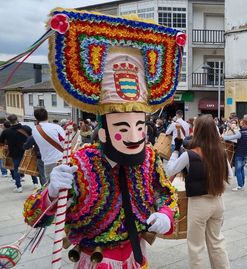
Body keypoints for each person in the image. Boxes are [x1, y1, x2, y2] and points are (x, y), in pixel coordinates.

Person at [21, 9, 183, 268]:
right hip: (96, 260)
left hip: (136, 255)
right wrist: (51, 192)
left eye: (140, 126)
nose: (134, 136)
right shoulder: (80, 162)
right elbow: (33, 215)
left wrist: (166, 215)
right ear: (103, 132)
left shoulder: (149, 157)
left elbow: (168, 196)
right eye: (123, 127)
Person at [166, 115, 231, 269]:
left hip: (199, 203)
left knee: (196, 247)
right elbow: (230, 176)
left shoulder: (190, 154)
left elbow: (171, 170)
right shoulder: (221, 152)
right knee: (217, 242)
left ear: (198, 131)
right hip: (218, 202)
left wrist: (176, 150)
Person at [31, 108, 65, 183]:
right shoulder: (57, 127)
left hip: (48, 162)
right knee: (64, 185)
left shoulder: (34, 130)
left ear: (36, 118)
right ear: (47, 116)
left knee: (51, 186)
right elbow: (64, 143)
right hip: (61, 159)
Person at [0, 114, 32, 193]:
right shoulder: (26, 128)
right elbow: (32, 137)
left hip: (14, 153)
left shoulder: (6, 131)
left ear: (9, 121)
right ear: (17, 119)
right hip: (27, 151)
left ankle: (19, 187)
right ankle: (35, 183)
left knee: (16, 169)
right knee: (30, 167)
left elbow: (1, 141)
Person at [223, 119, 247, 191]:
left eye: (241, 124)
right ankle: (242, 184)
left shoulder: (240, 133)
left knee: (238, 170)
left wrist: (223, 136)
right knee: (242, 169)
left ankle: (240, 185)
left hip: (240, 153)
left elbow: (229, 138)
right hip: (246, 154)